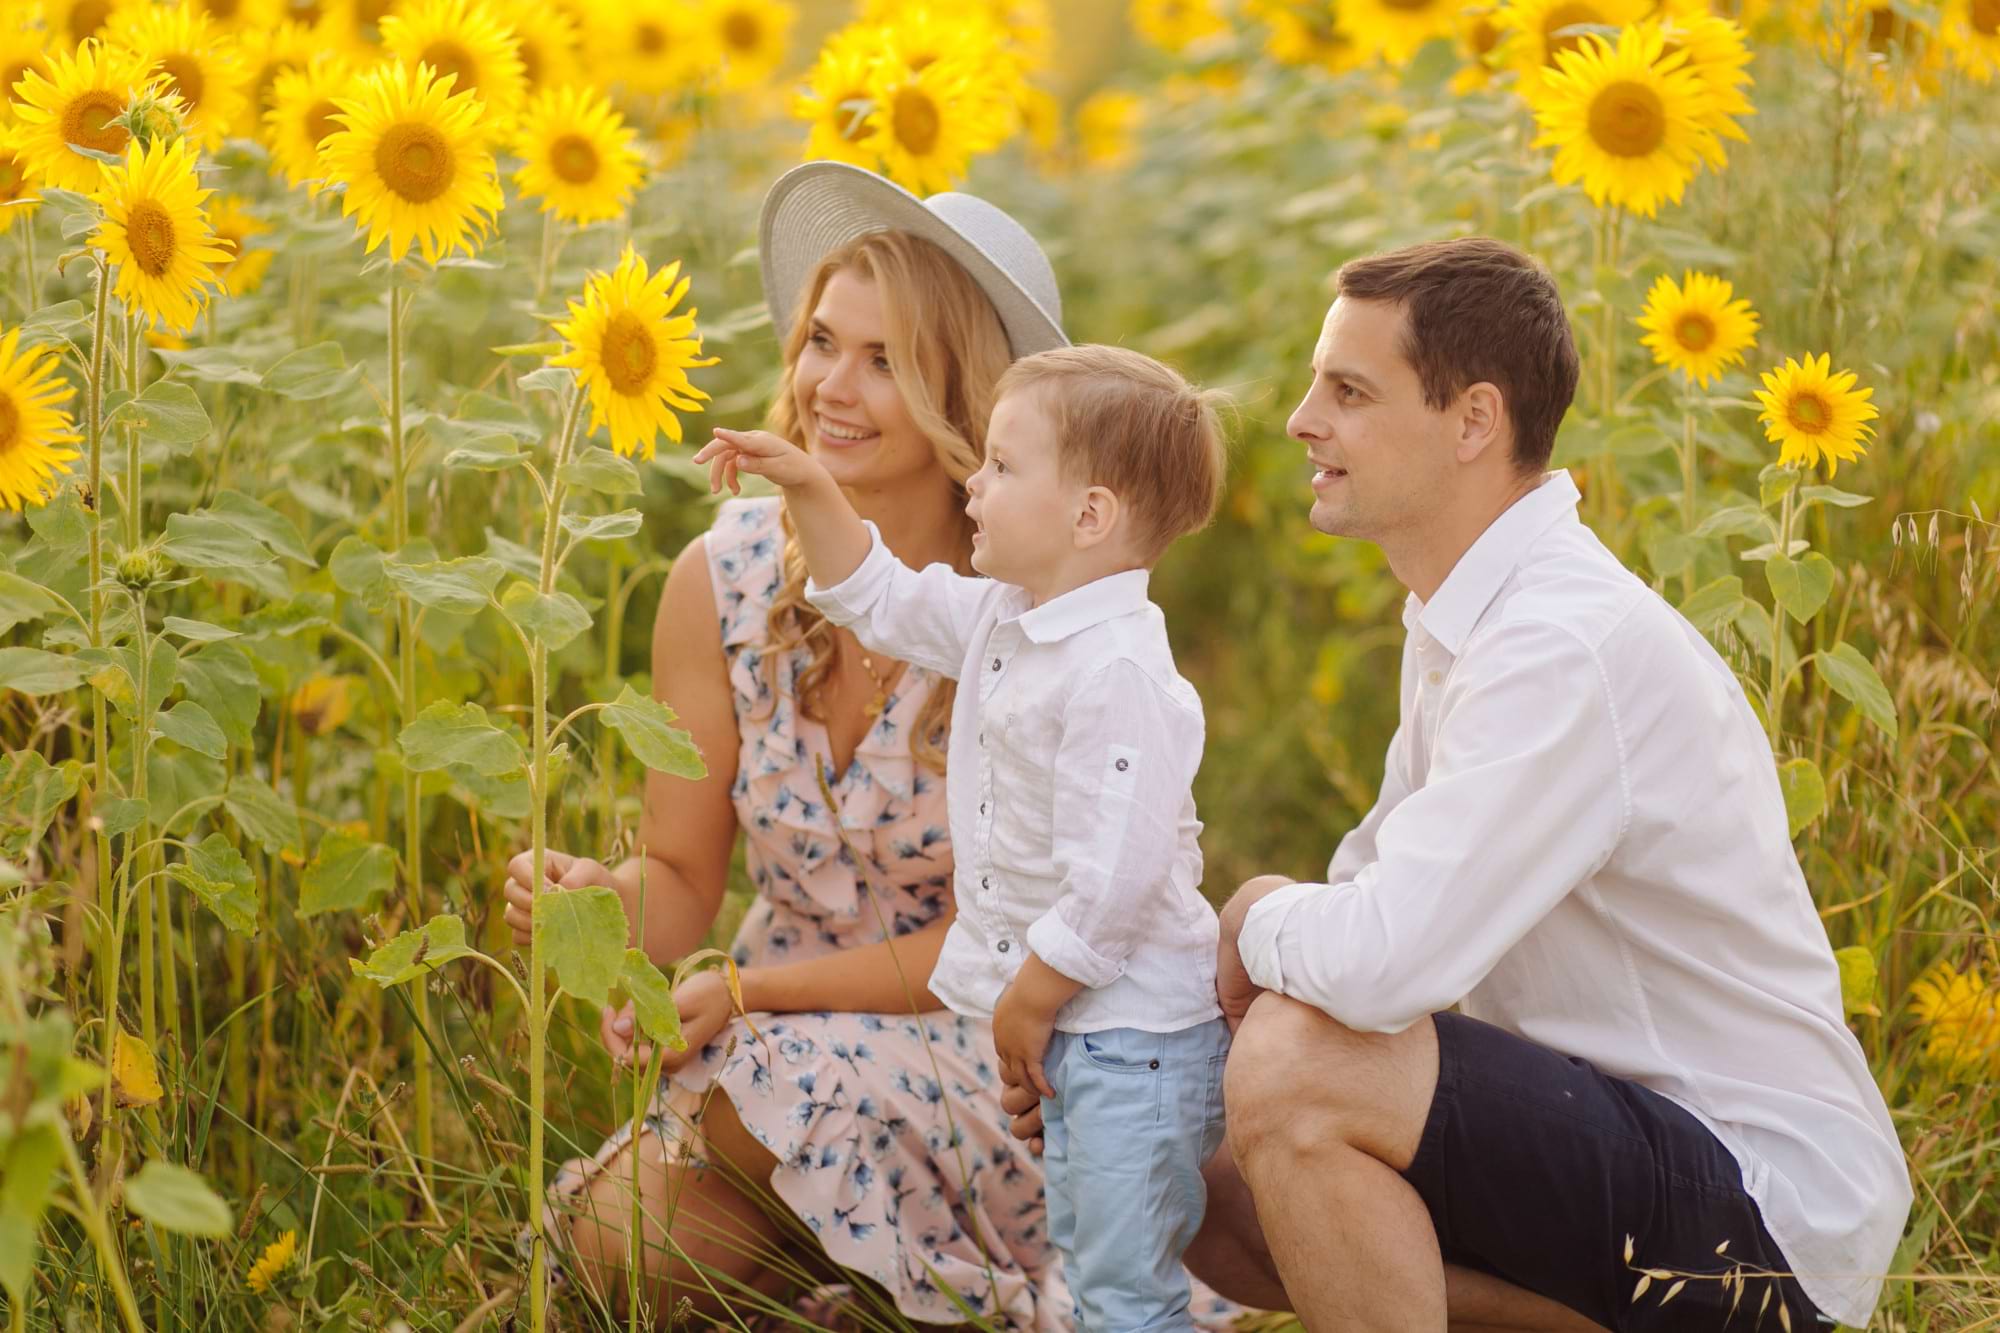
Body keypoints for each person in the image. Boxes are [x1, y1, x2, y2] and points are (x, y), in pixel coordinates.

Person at [1004, 237, 1911, 1332]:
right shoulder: (1458, 616)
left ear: (1472, 422)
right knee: (1172, 1149)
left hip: (1757, 1211)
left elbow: (1384, 963)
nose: (1300, 419)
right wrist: (1127, 1036)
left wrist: (1252, 916)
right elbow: (1368, 894)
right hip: (1607, 1148)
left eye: (1347, 391)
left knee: (1294, 1067)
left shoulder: (1557, 644)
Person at [501, 161, 1085, 1328]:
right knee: (619, 1257)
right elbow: (678, 886)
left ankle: (911, 1282)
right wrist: (594, 904)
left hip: (977, 1054)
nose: (832, 384)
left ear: (962, 397)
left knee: (711, 1168)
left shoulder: (1030, 616)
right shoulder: (718, 580)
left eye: (885, 360)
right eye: (823, 341)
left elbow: (995, 942)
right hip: (769, 1053)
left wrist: (755, 990)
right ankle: (855, 1290)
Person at [695, 340, 1232, 1333]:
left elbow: (1117, 876)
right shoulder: (1005, 620)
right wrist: (810, 483)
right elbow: (879, 596)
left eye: (999, 466)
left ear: (1088, 515)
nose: (971, 484)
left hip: (1133, 1038)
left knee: (1121, 1280)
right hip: (1081, 1030)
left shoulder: (1116, 671)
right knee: (1086, 1246)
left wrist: (1031, 994)